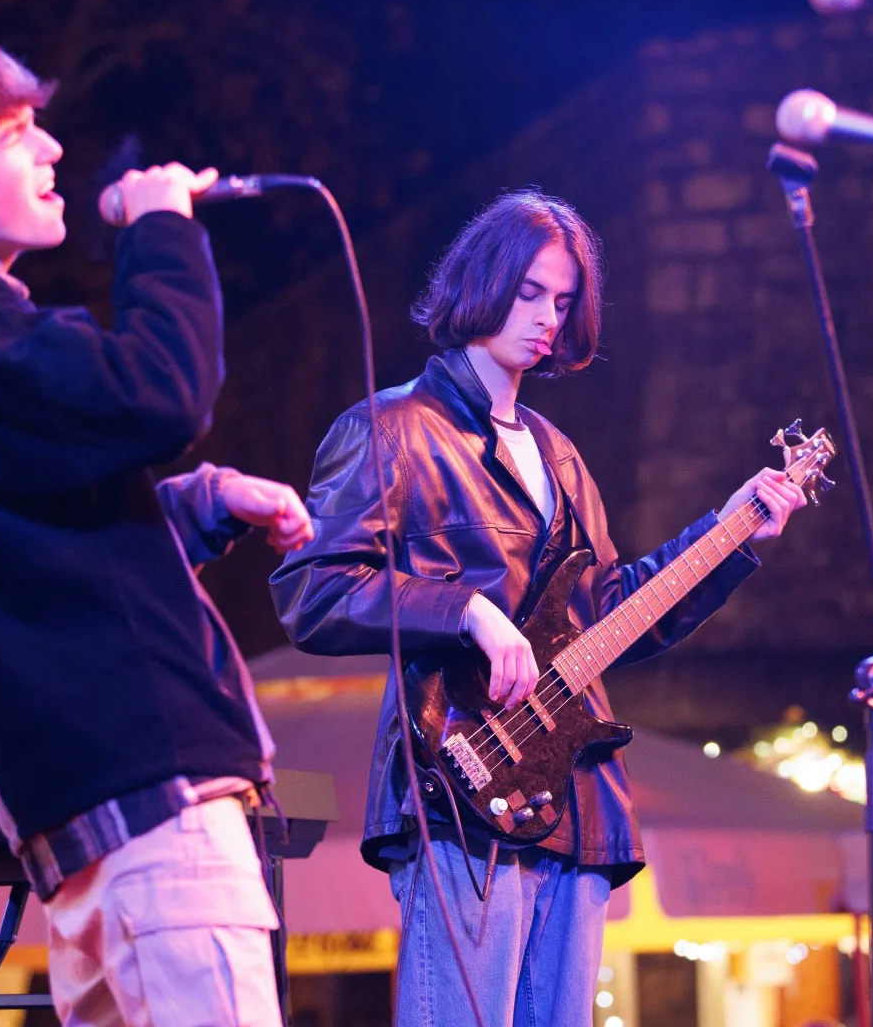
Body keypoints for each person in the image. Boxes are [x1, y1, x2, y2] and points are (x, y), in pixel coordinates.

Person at [0, 39, 312, 1027]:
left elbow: (45, 544)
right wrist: (163, 230)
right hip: (151, 817)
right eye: (14, 133)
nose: (51, 149)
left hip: (106, 834)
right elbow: (161, 391)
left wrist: (198, 504)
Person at [269, 189, 807, 1026]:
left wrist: (729, 534)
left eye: (562, 299)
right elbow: (313, 589)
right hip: (462, 780)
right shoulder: (391, 429)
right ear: (481, 284)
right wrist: (465, 612)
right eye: (529, 293)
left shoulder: (559, 455)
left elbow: (610, 613)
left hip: (579, 799)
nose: (549, 317)